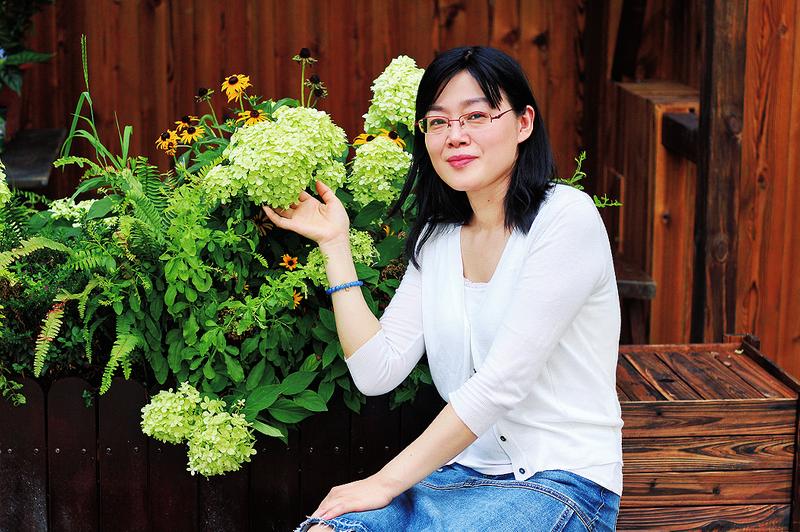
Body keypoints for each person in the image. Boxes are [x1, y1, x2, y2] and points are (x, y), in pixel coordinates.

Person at [263, 46, 623, 532]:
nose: (455, 136)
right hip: (456, 479)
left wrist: (383, 482)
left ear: (523, 123)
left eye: (476, 116)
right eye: (437, 122)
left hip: (560, 482)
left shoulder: (565, 218)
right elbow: (376, 370)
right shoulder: (440, 238)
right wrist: (334, 243)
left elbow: (502, 384)